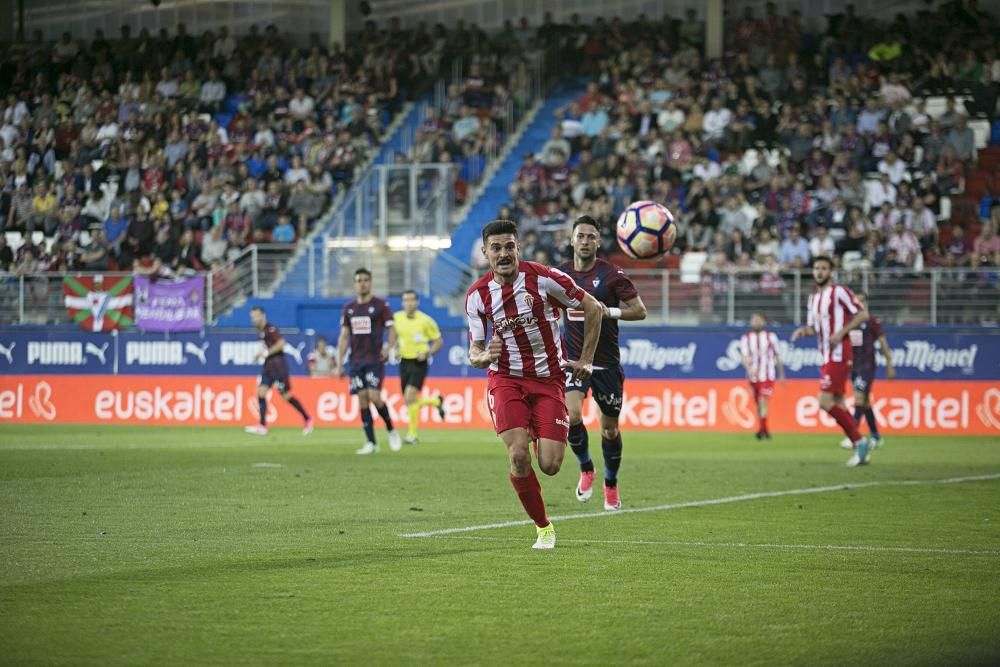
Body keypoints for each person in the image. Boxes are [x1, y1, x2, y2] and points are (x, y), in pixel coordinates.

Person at [466, 219, 603, 549]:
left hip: (549, 380)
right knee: (518, 455)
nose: (503, 254)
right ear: (485, 253)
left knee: (551, 465)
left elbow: (593, 307)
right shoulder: (477, 296)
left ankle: (549, 442)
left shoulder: (543, 279)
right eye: (496, 248)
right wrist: (482, 358)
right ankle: (544, 527)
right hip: (506, 380)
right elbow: (475, 350)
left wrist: (585, 359)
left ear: (518, 247)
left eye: (509, 246)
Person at [557, 215, 647, 511]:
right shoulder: (559, 276)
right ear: (572, 240)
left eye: (590, 237)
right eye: (580, 236)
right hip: (573, 361)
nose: (585, 241)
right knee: (571, 416)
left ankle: (610, 483)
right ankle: (586, 468)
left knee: (609, 430)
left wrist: (606, 312)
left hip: (606, 363)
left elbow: (639, 311)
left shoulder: (612, 275)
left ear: (598, 242)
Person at [791, 256, 872, 466]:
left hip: (839, 353)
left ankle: (859, 441)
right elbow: (815, 328)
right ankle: (860, 446)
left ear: (831, 272)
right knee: (838, 402)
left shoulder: (839, 292)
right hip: (825, 355)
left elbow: (863, 315)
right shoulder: (813, 299)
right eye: (816, 268)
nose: (819, 272)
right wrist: (803, 331)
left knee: (824, 401)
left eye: (823, 268)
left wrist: (841, 333)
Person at [336, 268, 402, 454]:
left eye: (366, 280)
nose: (362, 283)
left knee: (374, 397)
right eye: (359, 280)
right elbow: (344, 336)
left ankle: (391, 429)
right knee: (362, 400)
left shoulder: (381, 305)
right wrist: (340, 363)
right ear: (355, 284)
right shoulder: (349, 308)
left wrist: (389, 347)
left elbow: (392, 329)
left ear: (370, 282)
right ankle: (371, 443)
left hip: (374, 358)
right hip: (356, 361)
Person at [245, 306, 313, 436]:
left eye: (256, 316)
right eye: (252, 317)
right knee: (260, 392)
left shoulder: (271, 329)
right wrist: (260, 355)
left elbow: (281, 343)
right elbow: (266, 347)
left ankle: (307, 418)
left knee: (286, 396)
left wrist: (266, 353)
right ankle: (262, 425)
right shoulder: (260, 331)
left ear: (263, 316)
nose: (253, 319)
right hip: (268, 367)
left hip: (278, 367)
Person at [840, 292, 895, 450]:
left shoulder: (872, 321)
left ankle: (854, 437)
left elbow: (883, 342)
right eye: (857, 301)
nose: (860, 303)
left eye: (862, 301)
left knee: (858, 399)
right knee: (865, 403)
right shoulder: (851, 322)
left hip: (866, 367)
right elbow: (851, 345)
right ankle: (876, 437)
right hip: (855, 367)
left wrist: (889, 364)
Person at [392, 290, 447, 445]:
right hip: (404, 361)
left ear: (417, 302)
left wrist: (427, 352)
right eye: (406, 300)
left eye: (411, 300)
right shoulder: (397, 318)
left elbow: (438, 341)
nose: (409, 303)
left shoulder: (426, 321)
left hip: (419, 362)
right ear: (402, 303)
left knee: (410, 396)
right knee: (409, 400)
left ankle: (412, 435)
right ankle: (436, 401)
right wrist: (395, 349)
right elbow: (395, 337)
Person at [740, 312, 786, 440]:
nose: (756, 322)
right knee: (758, 404)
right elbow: (744, 357)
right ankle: (762, 429)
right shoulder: (746, 338)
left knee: (762, 401)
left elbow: (777, 355)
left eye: (758, 320)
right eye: (753, 320)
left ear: (764, 322)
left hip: (767, 375)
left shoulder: (771, 337)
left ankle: (764, 431)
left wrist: (781, 374)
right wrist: (749, 369)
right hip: (753, 376)